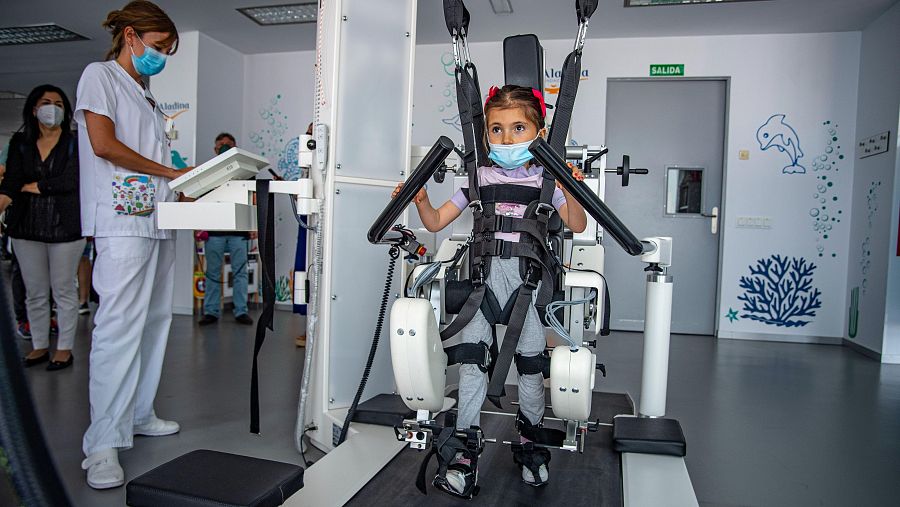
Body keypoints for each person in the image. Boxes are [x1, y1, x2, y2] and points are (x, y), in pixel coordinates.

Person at [392, 85, 587, 495]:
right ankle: (464, 451)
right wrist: (421, 198)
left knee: (531, 370)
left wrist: (569, 185)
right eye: (496, 130)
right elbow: (435, 222)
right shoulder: (477, 179)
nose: (507, 138)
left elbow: (578, 224)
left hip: (526, 292)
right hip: (481, 290)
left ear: (540, 130)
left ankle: (530, 443)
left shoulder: (546, 179)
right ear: (485, 136)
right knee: (471, 365)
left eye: (518, 128)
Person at [75, 0, 185, 490]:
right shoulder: (99, 76)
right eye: (158, 47)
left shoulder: (147, 93)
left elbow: (153, 155)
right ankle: (102, 444)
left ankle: (139, 414)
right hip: (121, 221)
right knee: (117, 328)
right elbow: (103, 144)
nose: (161, 56)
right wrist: (170, 171)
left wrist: (184, 179)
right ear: (130, 35)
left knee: (155, 321)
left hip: (157, 220)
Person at [0, 84, 83, 371]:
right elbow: (12, 182)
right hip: (26, 227)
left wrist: (37, 185)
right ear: (34, 108)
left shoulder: (75, 141)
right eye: (47, 102)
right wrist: (11, 195)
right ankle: (38, 346)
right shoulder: (20, 142)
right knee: (34, 291)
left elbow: (72, 181)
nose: (53, 108)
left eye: (59, 104)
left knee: (63, 290)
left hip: (65, 228)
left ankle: (64, 349)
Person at [199, 132, 254, 326]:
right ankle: (211, 311)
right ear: (215, 149)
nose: (224, 148)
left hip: (239, 232)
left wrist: (253, 225)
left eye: (228, 145)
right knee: (213, 272)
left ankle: (241, 311)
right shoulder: (208, 171)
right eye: (221, 145)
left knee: (240, 272)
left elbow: (252, 197)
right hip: (214, 231)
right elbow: (201, 198)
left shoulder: (245, 170)